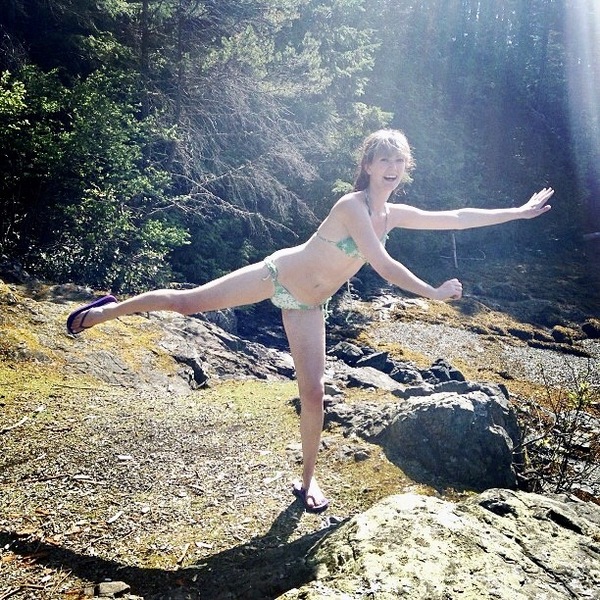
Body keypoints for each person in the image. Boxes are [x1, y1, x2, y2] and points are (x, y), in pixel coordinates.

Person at [66, 129, 553, 513]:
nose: (391, 167)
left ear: (407, 167)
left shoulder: (394, 212)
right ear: (366, 166)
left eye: (398, 160)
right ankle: (108, 310)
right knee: (188, 302)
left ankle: (306, 479)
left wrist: (519, 212)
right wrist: (432, 292)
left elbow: (457, 216)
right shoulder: (351, 205)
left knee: (314, 392)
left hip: (309, 305)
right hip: (277, 273)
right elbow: (382, 265)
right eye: (382, 159)